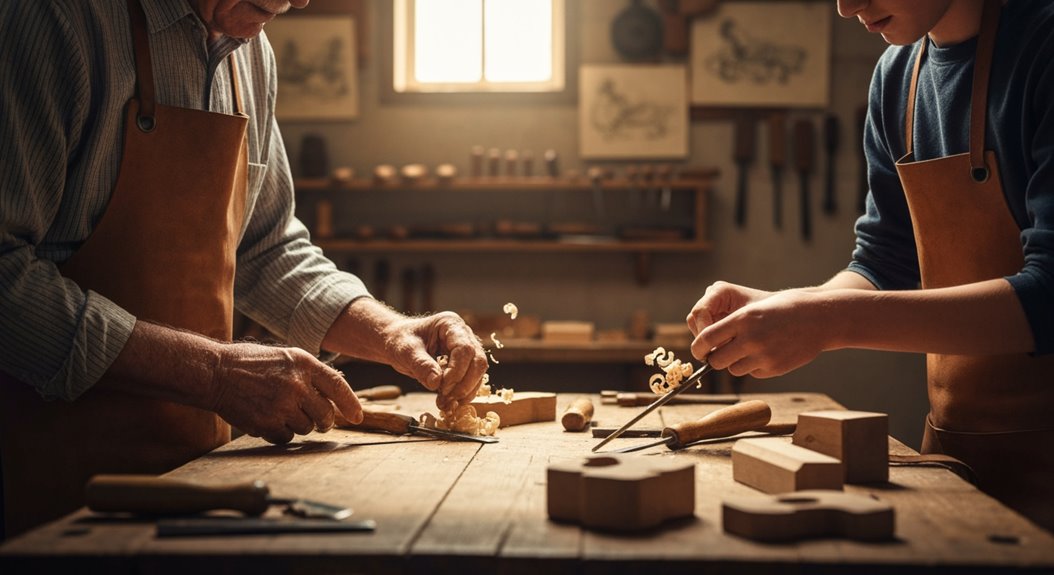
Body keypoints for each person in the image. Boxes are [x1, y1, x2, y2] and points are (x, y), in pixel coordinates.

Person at [0, 0, 488, 539]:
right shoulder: (55, 20)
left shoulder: (250, 55)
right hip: (53, 487)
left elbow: (265, 247)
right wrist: (213, 373)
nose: (299, 1)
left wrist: (391, 331)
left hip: (196, 472)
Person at [687, 0, 1054, 531]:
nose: (845, 7)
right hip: (958, 456)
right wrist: (793, 306)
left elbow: (1047, 298)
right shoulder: (898, 76)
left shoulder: (1042, 48)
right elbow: (884, 261)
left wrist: (828, 321)